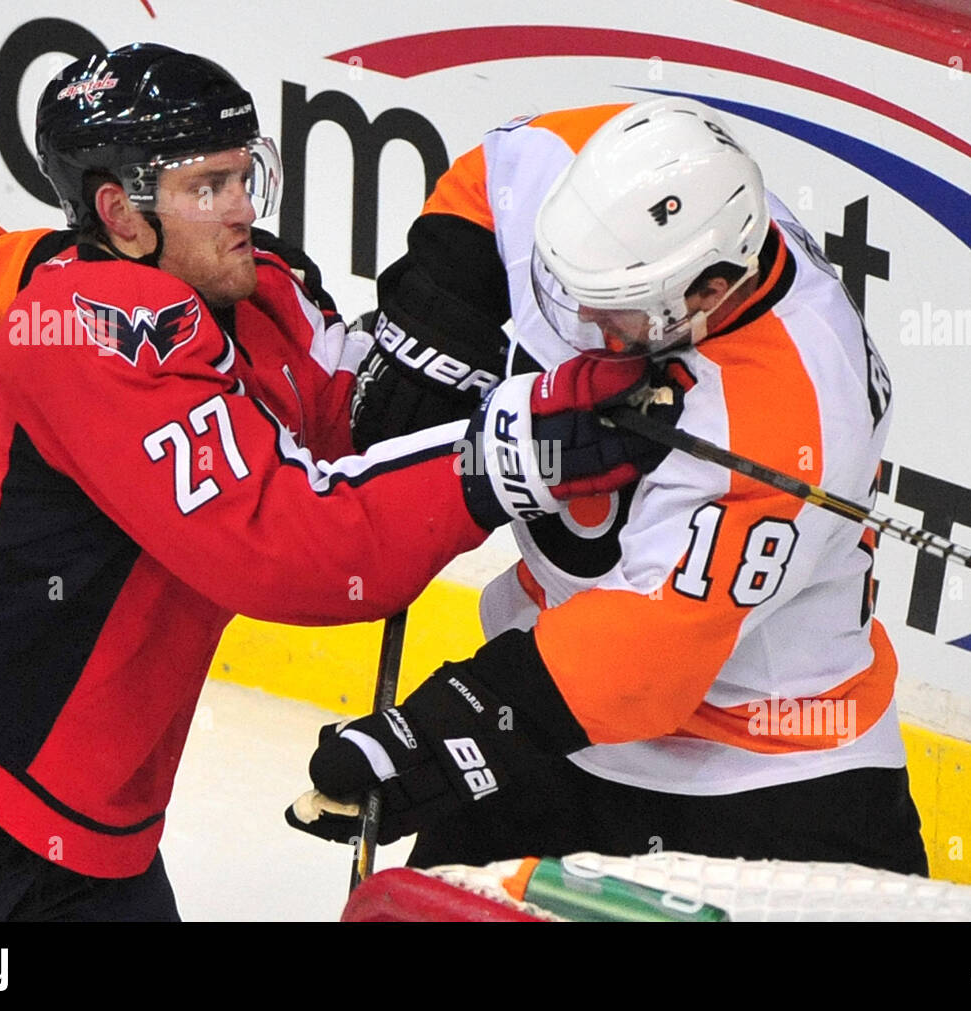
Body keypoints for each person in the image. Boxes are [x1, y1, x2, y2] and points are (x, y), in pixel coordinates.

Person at [0, 46, 662, 920]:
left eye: (247, 175)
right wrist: (514, 454)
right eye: (210, 187)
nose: (243, 208)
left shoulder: (261, 296)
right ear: (121, 214)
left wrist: (516, 370)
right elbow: (291, 544)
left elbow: (359, 427)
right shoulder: (89, 328)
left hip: (90, 819)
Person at [286, 97, 929, 878]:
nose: (583, 315)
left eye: (615, 309)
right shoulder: (621, 183)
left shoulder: (791, 413)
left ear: (709, 290)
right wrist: (443, 311)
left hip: (773, 772)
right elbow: (501, 173)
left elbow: (643, 657)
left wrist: (445, 727)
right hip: (561, 734)